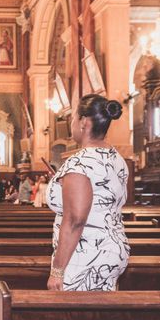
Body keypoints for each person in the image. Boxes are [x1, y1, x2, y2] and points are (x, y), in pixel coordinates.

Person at [46, 95, 129, 292]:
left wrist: (57, 271)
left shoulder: (79, 163)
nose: (72, 123)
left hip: (85, 255)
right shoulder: (116, 158)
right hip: (112, 249)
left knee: (74, 319)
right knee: (97, 318)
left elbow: (75, 220)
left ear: (83, 121)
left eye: (73, 117)